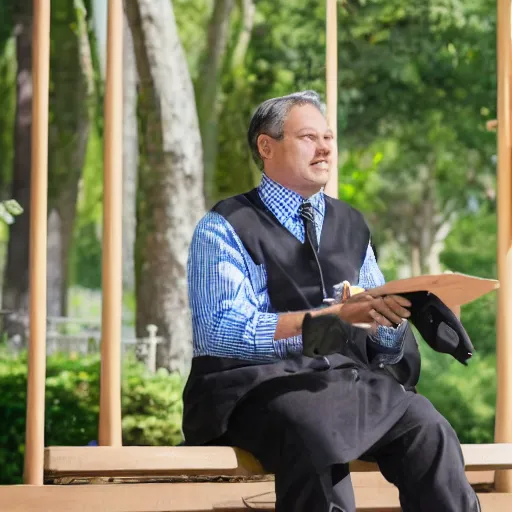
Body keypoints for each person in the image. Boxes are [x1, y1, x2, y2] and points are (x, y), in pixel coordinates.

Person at [182, 91, 479, 512]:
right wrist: (330, 318)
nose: (325, 148)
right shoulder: (223, 227)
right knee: (316, 432)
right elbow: (222, 332)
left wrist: (389, 322)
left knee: (428, 427)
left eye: (328, 137)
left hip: (346, 383)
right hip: (254, 391)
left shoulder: (352, 223)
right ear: (266, 146)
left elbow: (384, 349)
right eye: (308, 137)